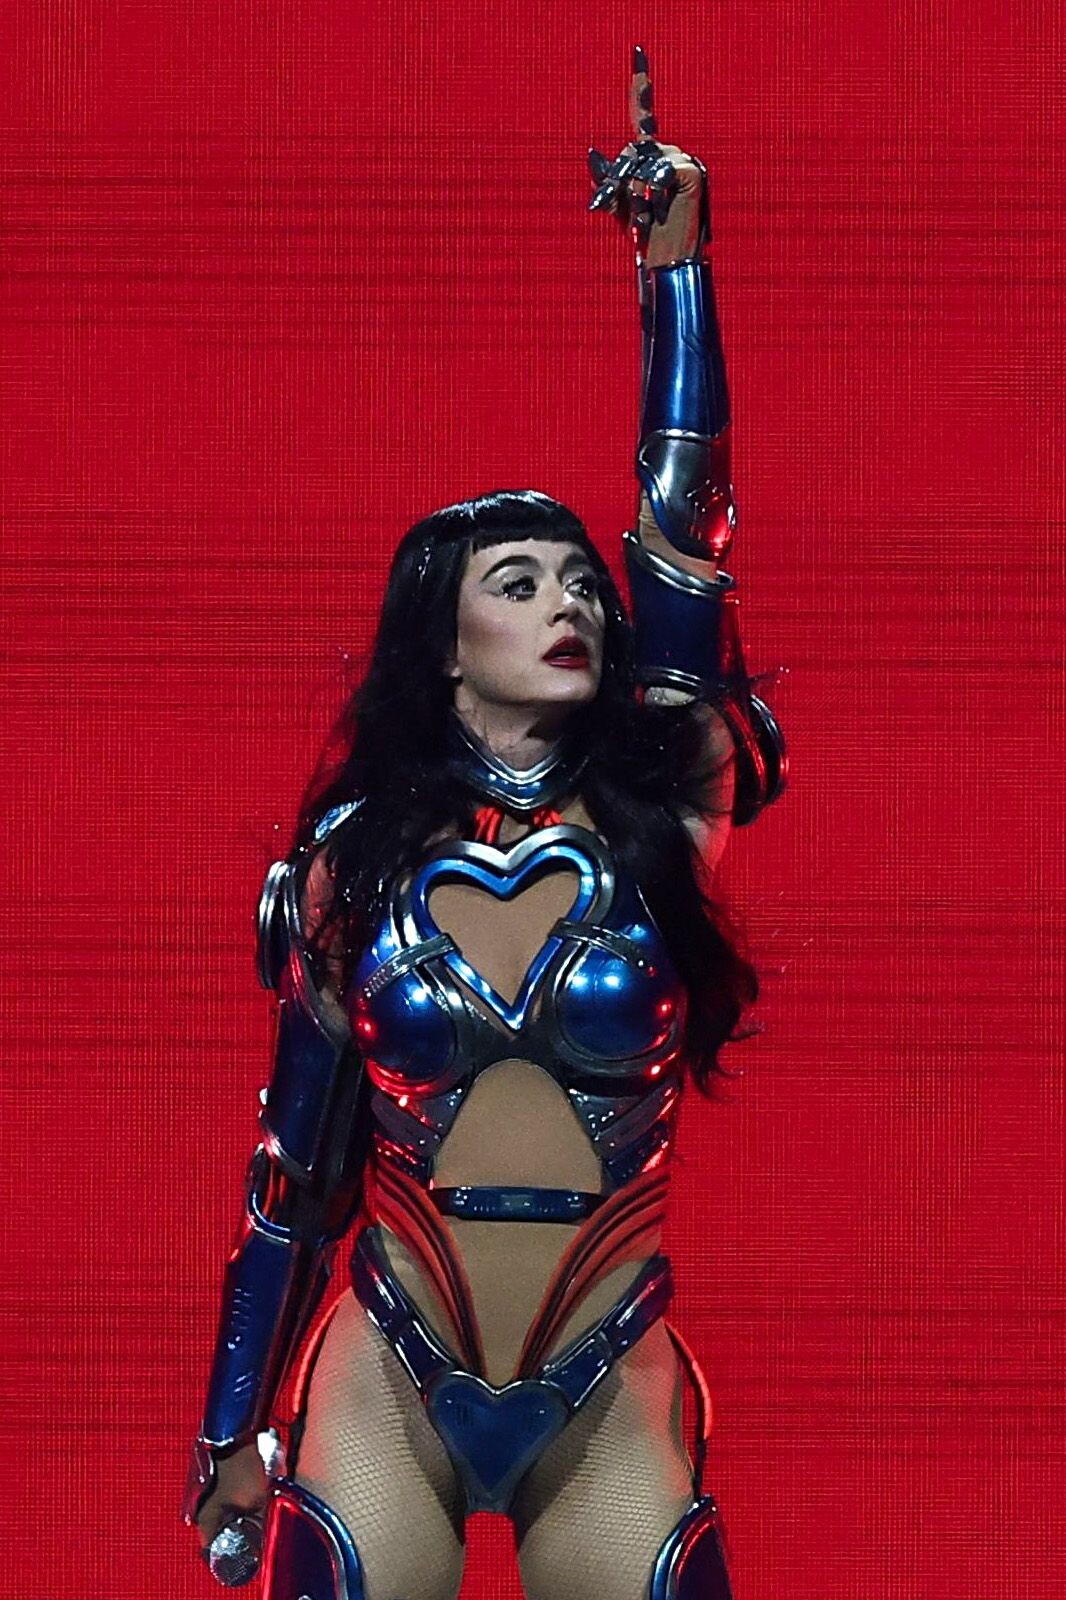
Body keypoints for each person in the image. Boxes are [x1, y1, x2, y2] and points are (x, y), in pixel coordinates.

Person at [182, 47, 786, 1600]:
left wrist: (677, 275)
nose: (568, 601)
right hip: (388, 1371)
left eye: (578, 581)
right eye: (517, 586)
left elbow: (685, 532)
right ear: (443, 644)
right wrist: (230, 1424)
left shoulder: (662, 813)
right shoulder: (354, 864)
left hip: (603, 1371)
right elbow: (292, 1173)